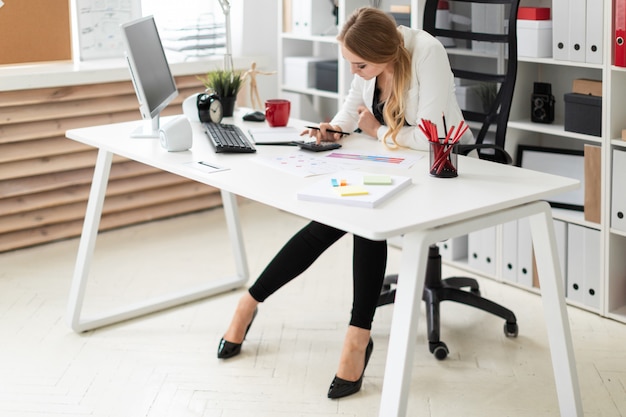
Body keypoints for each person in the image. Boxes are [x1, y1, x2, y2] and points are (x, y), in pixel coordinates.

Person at [217, 6, 471, 399]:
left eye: (360, 65)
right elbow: (352, 110)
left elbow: (433, 139)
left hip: (439, 168)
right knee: (334, 216)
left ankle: (341, 333)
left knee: (362, 218)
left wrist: (376, 129)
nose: (355, 71)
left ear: (386, 53)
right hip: (393, 161)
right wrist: (332, 129)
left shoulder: (427, 52)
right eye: (349, 63)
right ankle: (256, 304)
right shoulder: (369, 64)